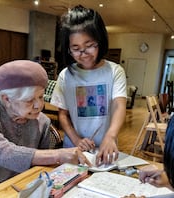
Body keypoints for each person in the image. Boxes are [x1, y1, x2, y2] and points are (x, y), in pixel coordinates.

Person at [0, 60, 90, 198]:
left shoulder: (42, 122)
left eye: (41, 97)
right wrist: (58, 154)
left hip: (16, 193)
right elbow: (1, 151)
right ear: (6, 99)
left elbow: (40, 169)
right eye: (29, 100)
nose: (39, 105)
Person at [50, 5, 127, 166]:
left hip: (105, 149)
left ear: (100, 41)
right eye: (76, 49)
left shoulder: (114, 71)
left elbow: (119, 106)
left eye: (90, 45)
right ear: (68, 49)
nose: (83, 54)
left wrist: (111, 136)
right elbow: (63, 115)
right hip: (74, 149)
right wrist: (77, 140)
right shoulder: (66, 75)